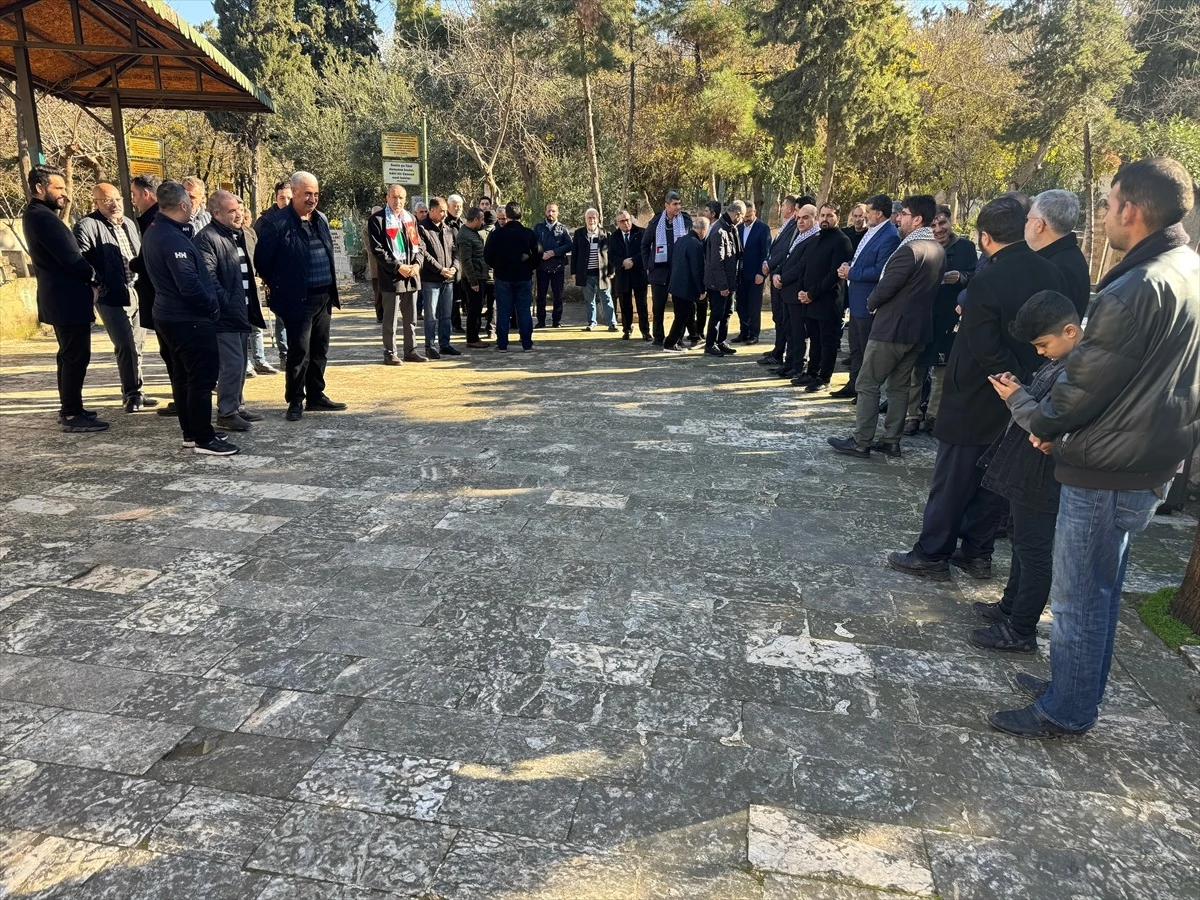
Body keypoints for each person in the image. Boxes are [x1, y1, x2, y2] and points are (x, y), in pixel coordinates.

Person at [991, 157, 1200, 739]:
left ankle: (1067, 708)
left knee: (1080, 600)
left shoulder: (1134, 288)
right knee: (1101, 593)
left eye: (1107, 205)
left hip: (1109, 467)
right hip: (1148, 458)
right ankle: (1074, 687)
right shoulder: (1187, 266)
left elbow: (1078, 390)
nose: (1103, 216)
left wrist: (1039, 418)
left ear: (1131, 210)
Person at [886, 195, 1068, 579]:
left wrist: (1008, 378)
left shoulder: (990, 276)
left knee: (953, 478)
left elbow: (984, 343)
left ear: (985, 238)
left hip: (977, 392)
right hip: (1025, 393)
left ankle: (932, 553)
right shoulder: (1051, 272)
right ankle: (976, 553)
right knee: (997, 480)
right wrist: (1024, 382)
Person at [970, 291, 1082, 655]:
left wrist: (1015, 397)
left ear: (1070, 330)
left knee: (1034, 551)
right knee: (1021, 540)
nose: (1039, 351)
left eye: (1042, 344)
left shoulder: (1079, 367)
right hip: (1028, 469)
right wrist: (1020, 387)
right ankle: (1010, 606)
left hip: (1044, 473)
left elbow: (1044, 423)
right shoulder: (1063, 358)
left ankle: (1021, 629)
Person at [827, 194, 944, 459]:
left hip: (892, 329)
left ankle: (861, 441)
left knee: (868, 383)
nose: (897, 218)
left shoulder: (910, 249)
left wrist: (871, 303)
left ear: (917, 219)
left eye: (902, 213)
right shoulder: (936, 248)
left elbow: (886, 287)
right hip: (917, 330)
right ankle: (892, 440)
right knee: (899, 387)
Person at [142, 181, 236, 455]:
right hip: (188, 319)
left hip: (171, 316)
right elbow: (190, 285)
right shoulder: (171, 238)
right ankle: (204, 438)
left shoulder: (157, 230)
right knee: (201, 380)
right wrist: (212, 306)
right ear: (184, 205)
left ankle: (192, 432)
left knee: (184, 379)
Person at [254, 170, 347, 422]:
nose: (312, 199)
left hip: (323, 297)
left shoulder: (321, 219)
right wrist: (281, 285)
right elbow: (262, 261)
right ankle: (295, 400)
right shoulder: (277, 223)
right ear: (293, 192)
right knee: (299, 353)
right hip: (297, 300)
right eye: (307, 193)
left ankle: (316, 396)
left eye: (316, 194)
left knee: (320, 350)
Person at [22, 165, 107, 433]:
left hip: (61, 298)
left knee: (70, 356)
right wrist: (95, 279)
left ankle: (72, 407)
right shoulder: (43, 218)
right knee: (75, 357)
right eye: (58, 188)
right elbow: (72, 259)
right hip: (66, 299)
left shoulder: (37, 215)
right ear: (39, 188)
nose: (65, 194)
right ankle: (71, 413)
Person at [74, 182, 158, 413]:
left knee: (138, 345)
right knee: (125, 345)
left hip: (136, 291)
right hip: (111, 294)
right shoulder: (87, 226)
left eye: (118, 199)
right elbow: (82, 261)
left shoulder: (130, 223)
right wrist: (98, 283)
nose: (114, 205)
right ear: (96, 202)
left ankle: (136, 390)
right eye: (107, 200)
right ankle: (132, 394)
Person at [194, 190, 267, 433]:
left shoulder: (236, 234)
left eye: (239, 209)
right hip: (224, 314)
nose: (238, 215)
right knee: (233, 363)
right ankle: (226, 412)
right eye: (231, 211)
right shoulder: (207, 238)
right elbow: (208, 277)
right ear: (216, 214)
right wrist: (226, 302)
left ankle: (237, 405)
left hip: (242, 310)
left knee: (241, 361)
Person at [915, 205, 978, 434]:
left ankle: (933, 416)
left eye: (942, 223)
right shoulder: (920, 246)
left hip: (949, 317)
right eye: (933, 224)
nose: (938, 229)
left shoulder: (965, 247)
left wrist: (961, 277)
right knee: (916, 369)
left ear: (951, 222)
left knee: (942, 371)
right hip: (922, 315)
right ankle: (912, 415)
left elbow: (976, 276)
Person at [833, 194, 900, 399]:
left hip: (869, 302)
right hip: (857, 301)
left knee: (866, 350)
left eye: (868, 212)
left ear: (878, 214)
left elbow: (880, 271)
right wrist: (849, 266)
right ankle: (853, 385)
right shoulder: (873, 231)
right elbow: (861, 258)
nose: (864, 216)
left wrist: (851, 273)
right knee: (855, 348)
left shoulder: (889, 236)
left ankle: (866, 392)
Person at [128, 173, 179, 419]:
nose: (134, 200)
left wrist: (133, 264)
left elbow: (153, 260)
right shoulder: (155, 220)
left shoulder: (156, 223)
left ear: (147, 194)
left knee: (172, 352)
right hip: (163, 300)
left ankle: (182, 399)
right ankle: (181, 397)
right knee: (170, 352)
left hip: (163, 300)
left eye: (136, 195)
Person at [794, 203, 854, 392]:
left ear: (837, 217)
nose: (825, 219)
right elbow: (805, 267)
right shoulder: (815, 239)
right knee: (814, 338)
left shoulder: (842, 241)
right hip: (810, 299)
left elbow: (834, 275)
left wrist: (812, 294)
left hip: (829, 300)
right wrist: (803, 292)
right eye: (822, 215)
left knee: (828, 341)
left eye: (829, 215)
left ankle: (824, 377)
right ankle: (811, 372)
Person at [368, 184, 425, 365]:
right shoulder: (377, 220)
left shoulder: (410, 219)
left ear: (405, 200)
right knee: (390, 319)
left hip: (411, 276)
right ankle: (390, 352)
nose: (397, 201)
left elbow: (420, 246)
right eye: (394, 197)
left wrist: (417, 264)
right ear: (387, 198)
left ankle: (411, 350)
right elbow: (378, 250)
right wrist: (398, 266)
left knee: (411, 318)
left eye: (401, 198)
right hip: (391, 276)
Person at [484, 202, 539, 352]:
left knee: (503, 311)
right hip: (523, 276)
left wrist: (498, 266)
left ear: (506, 216)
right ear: (520, 215)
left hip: (503, 277)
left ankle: (502, 345)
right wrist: (529, 267)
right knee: (524, 311)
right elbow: (538, 254)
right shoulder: (529, 233)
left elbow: (487, 256)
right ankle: (527, 344)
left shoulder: (496, 234)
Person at [1025, 189, 1091, 314]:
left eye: (1028, 219)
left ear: (1039, 225)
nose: (1025, 224)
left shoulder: (1052, 268)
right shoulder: (1070, 256)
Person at [773, 204, 820, 379]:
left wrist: (782, 278)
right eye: (799, 218)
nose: (800, 221)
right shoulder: (800, 235)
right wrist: (777, 273)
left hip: (797, 292)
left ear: (814, 219)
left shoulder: (814, 237)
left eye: (805, 218)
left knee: (798, 332)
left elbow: (802, 266)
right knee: (788, 329)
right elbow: (787, 257)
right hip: (787, 292)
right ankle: (789, 363)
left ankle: (797, 365)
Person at [642, 191, 693, 346]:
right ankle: (658, 336)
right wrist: (648, 266)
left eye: (679, 204)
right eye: (674, 204)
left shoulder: (685, 221)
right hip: (660, 272)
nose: (678, 207)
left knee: (681, 308)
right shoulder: (656, 222)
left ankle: (677, 337)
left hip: (679, 271)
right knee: (658, 307)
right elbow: (644, 244)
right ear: (667, 205)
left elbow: (691, 243)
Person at [250, 180, 291, 371]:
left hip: (295, 276)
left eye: (289, 198)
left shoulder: (299, 216)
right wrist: (264, 276)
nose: (286, 201)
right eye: (282, 198)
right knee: (281, 317)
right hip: (274, 278)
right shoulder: (265, 221)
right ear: (276, 198)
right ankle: (285, 356)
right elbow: (257, 250)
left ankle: (295, 353)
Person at [757, 195, 798, 370]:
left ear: (789, 208)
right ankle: (777, 350)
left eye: (782, 205)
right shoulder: (786, 225)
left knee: (782, 317)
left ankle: (780, 353)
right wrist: (767, 262)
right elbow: (775, 249)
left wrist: (770, 264)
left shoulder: (794, 226)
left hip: (781, 276)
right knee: (778, 316)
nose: (780, 208)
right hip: (774, 273)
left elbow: (784, 251)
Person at [418, 197, 460, 359]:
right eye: (441, 211)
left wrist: (454, 268)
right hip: (431, 279)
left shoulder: (448, 229)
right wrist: (440, 269)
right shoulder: (422, 229)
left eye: (445, 211)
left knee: (446, 315)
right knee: (431, 316)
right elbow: (424, 254)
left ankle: (445, 344)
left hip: (448, 279)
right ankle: (430, 346)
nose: (444, 214)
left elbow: (456, 251)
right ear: (432, 211)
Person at [703, 199, 745, 356]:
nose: (741, 220)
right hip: (718, 283)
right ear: (737, 214)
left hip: (729, 280)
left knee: (727, 313)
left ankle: (721, 341)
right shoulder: (719, 231)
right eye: (741, 217)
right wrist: (723, 286)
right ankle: (710, 344)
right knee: (717, 314)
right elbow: (716, 262)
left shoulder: (730, 228)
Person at [663, 217, 709, 352]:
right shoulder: (696, 245)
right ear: (703, 230)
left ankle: (693, 337)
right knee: (681, 317)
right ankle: (670, 343)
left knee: (686, 314)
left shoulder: (681, 240)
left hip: (676, 285)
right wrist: (702, 290)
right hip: (686, 287)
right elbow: (697, 270)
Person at [573, 208, 616, 332]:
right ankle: (592, 322)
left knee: (606, 298)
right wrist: (574, 272)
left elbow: (611, 254)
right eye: (589, 218)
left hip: (602, 273)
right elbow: (575, 254)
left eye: (594, 218)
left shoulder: (606, 234)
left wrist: (611, 271)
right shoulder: (579, 233)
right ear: (585, 220)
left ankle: (611, 323)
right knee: (589, 299)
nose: (591, 220)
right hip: (585, 273)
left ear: (598, 219)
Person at [733, 201, 770, 344]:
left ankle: (754, 334)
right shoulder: (739, 227)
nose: (746, 219)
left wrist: (762, 273)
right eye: (744, 216)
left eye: (749, 215)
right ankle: (744, 332)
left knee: (754, 306)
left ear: (755, 212)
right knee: (741, 305)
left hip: (756, 274)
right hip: (741, 274)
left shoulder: (763, 228)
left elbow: (766, 253)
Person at [610, 209, 649, 340]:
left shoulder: (641, 232)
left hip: (639, 273)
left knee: (642, 304)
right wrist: (622, 262)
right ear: (617, 223)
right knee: (625, 304)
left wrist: (633, 261)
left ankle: (645, 331)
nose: (626, 223)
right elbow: (611, 256)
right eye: (622, 221)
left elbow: (645, 251)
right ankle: (627, 329)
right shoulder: (613, 237)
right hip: (623, 275)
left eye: (627, 220)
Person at [533, 203, 572, 328]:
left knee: (558, 296)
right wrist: (540, 254)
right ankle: (541, 321)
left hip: (557, 267)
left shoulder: (563, 228)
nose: (551, 214)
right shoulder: (538, 228)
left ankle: (556, 321)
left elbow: (569, 245)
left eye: (553, 211)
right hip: (542, 267)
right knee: (541, 296)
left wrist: (554, 252)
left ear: (557, 212)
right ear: (545, 212)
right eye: (549, 211)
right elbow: (533, 243)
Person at [458, 206, 492, 349]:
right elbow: (466, 261)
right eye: (482, 219)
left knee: (477, 309)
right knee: (474, 309)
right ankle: (472, 338)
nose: (483, 222)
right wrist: (473, 281)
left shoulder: (474, 232)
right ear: (476, 219)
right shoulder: (465, 235)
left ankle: (475, 336)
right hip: (474, 279)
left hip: (480, 276)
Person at [446, 194, 466, 334]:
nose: (458, 208)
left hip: (466, 264)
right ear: (448, 207)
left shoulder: (465, 222)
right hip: (453, 264)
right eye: (455, 205)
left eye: (460, 205)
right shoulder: (446, 223)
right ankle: (455, 323)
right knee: (454, 298)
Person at [363, 204, 384, 323]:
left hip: (389, 266)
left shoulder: (387, 224)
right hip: (376, 266)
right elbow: (370, 248)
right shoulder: (366, 229)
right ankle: (380, 315)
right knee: (378, 293)